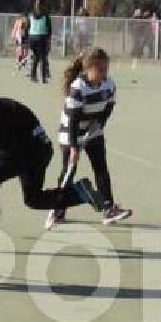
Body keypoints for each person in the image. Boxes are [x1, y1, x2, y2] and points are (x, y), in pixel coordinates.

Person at [0, 95, 128, 252]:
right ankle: (79, 192)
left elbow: (9, 153)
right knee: (33, 199)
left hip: (31, 153)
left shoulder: (3, 117)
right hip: (36, 150)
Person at [45, 48, 132, 229]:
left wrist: (99, 124)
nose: (104, 74)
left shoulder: (109, 84)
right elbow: (73, 120)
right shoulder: (77, 87)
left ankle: (108, 209)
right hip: (71, 132)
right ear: (88, 69)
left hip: (93, 131)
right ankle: (57, 209)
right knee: (69, 171)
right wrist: (74, 148)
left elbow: (108, 107)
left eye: (106, 69)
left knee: (101, 169)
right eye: (100, 70)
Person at [24, 0, 52, 83]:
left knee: (36, 57)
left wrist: (27, 40)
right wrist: (48, 40)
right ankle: (43, 78)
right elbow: (49, 29)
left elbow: (26, 28)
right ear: (43, 5)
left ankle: (33, 76)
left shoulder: (30, 15)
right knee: (43, 58)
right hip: (41, 38)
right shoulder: (46, 16)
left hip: (32, 38)